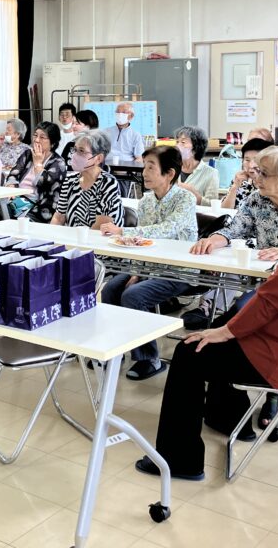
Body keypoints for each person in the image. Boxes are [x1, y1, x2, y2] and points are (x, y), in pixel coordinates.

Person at [134, 157, 278, 481]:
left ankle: (181, 460)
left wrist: (226, 332)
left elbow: (272, 299)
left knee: (191, 350)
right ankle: (229, 418)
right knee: (225, 325)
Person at [99, 146, 198, 380]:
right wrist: (136, 271)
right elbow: (141, 244)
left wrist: (123, 230)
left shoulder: (185, 199)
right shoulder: (145, 201)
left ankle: (149, 360)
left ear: (170, 173)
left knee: (133, 295)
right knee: (112, 289)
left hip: (179, 269)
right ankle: (117, 350)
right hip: (150, 266)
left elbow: (165, 230)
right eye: (145, 166)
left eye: (151, 167)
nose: (144, 172)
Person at [184, 146, 278, 329]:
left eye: (264, 174)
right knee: (233, 315)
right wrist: (213, 239)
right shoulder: (256, 199)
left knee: (240, 314)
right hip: (261, 274)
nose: (257, 177)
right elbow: (234, 229)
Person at [52, 130, 123, 229]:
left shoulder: (108, 183)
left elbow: (100, 227)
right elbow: (59, 217)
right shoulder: (70, 180)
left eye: (81, 151)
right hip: (71, 240)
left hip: (98, 241)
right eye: (75, 150)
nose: (75, 155)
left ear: (98, 158)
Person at [5, 121, 65, 223]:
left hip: (40, 206)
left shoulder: (58, 163)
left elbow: (46, 185)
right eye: (35, 135)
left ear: (53, 143)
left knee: (10, 218)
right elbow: (14, 173)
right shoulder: (28, 153)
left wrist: (38, 163)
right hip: (20, 200)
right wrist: (11, 187)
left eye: (42, 137)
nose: (36, 140)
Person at [222, 138, 272, 209]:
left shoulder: (273, 184)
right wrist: (235, 186)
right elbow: (224, 210)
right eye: (247, 160)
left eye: (256, 160)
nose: (251, 165)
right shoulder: (240, 181)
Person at [175, 126, 219, 205]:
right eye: (177, 142)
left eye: (183, 142)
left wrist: (194, 195)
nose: (177, 146)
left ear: (196, 147)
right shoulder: (172, 168)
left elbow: (212, 205)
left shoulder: (211, 173)